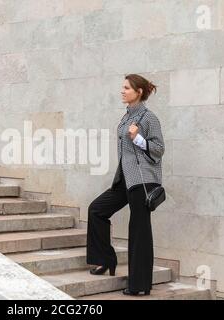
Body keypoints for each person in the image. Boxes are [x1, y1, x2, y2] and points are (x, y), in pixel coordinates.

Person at [86, 74, 165, 296]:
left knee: (139, 231)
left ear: (138, 92)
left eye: (126, 88)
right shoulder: (126, 117)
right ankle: (104, 259)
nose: (122, 91)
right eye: (122, 87)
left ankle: (139, 285)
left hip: (142, 181)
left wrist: (138, 139)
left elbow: (159, 149)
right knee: (97, 210)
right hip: (124, 179)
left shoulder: (149, 118)